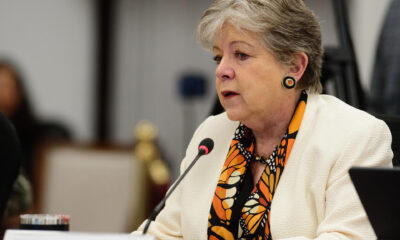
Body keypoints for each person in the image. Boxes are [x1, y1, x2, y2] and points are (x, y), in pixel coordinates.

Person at [135, 0, 393, 239]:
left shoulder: (355, 136)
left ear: (294, 66)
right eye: (218, 57)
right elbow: (164, 233)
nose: (221, 70)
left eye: (241, 55)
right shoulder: (212, 133)